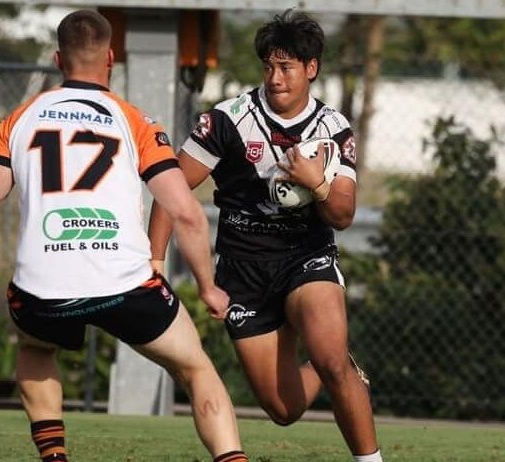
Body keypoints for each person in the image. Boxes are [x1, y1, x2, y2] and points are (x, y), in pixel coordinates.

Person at [0, 9, 249, 462]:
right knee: (196, 368)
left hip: (43, 286)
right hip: (124, 283)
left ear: (58, 58)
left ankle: (55, 457)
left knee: (36, 349)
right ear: (111, 58)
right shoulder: (134, 120)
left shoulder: (19, 119)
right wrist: (208, 287)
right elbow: (188, 214)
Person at [148, 9, 383, 462]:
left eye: (287, 67)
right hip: (243, 271)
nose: (276, 78)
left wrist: (316, 182)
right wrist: (156, 263)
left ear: (311, 69)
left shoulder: (332, 129)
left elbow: (343, 215)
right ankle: (338, 365)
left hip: (305, 257)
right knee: (283, 409)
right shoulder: (228, 120)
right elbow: (171, 190)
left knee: (332, 358)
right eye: (269, 67)